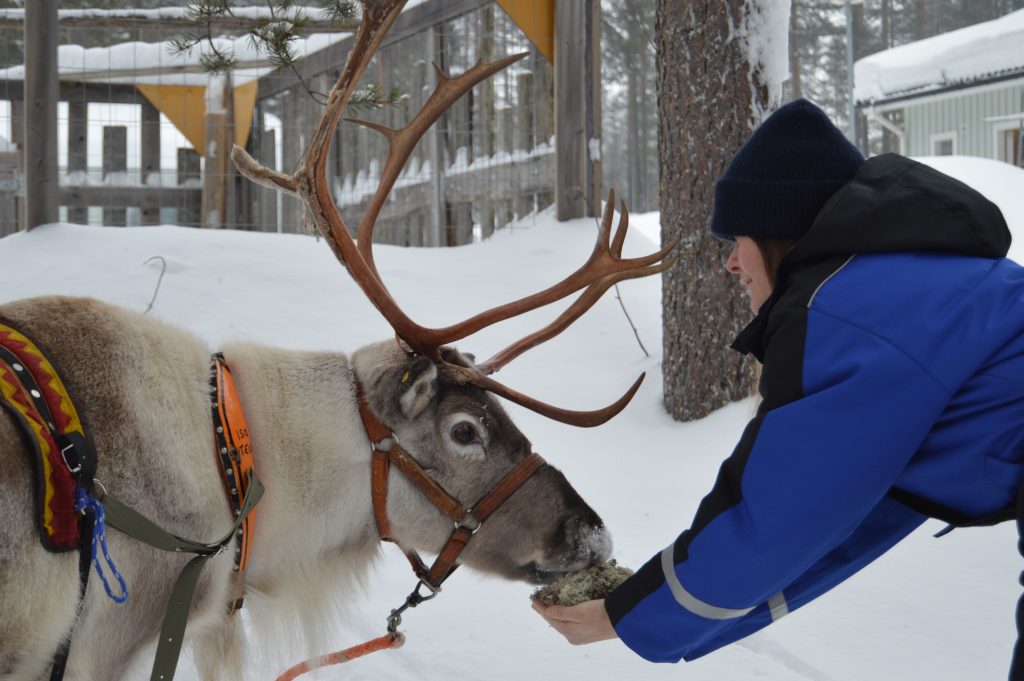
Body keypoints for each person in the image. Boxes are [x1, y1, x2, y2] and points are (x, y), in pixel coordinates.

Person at [532, 98, 1024, 677]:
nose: (731, 264)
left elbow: (773, 520)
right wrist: (649, 609)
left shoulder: (848, 314)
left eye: (738, 238)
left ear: (780, 235)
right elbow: (840, 518)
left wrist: (626, 615)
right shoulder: (903, 288)